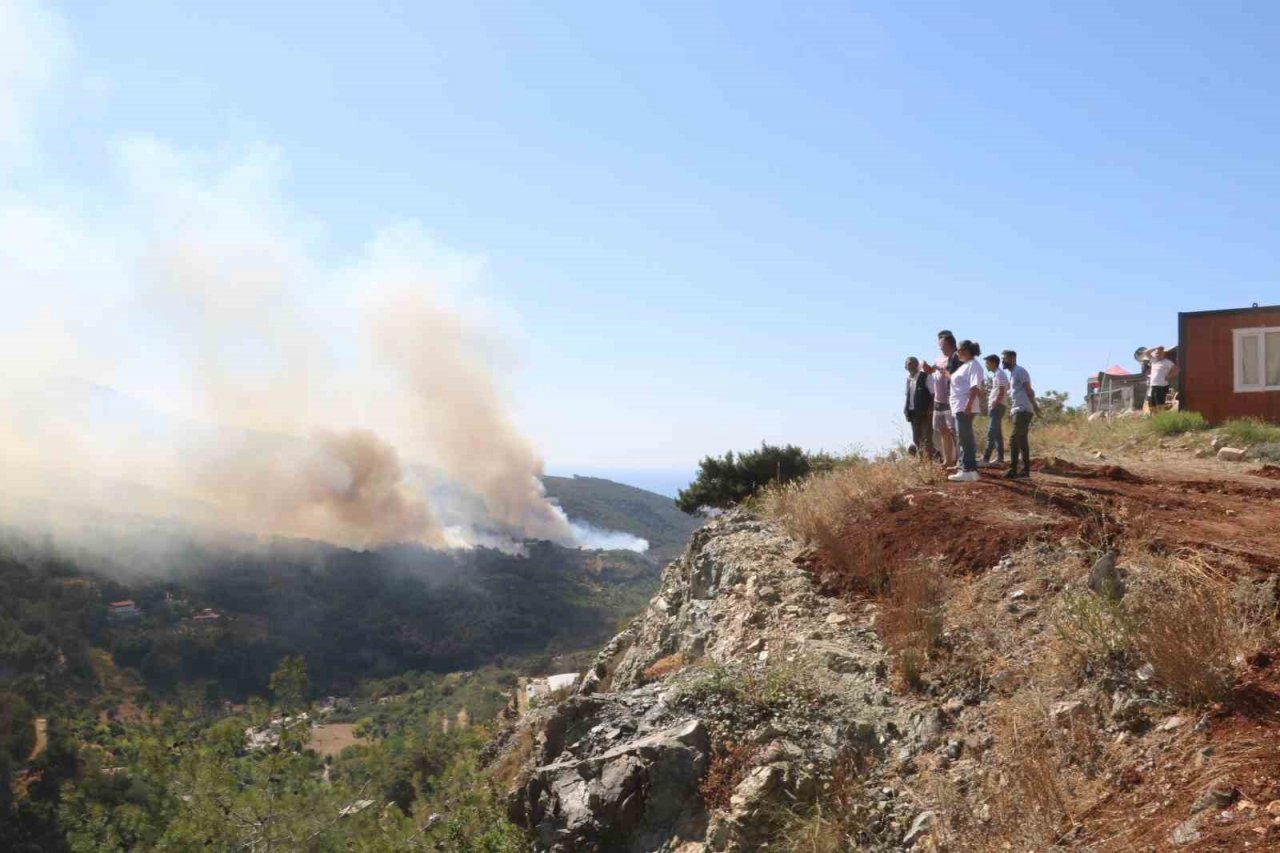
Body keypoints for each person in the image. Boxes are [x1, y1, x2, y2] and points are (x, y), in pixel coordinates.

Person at [948, 340, 986, 483]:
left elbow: (975, 387)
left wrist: (969, 405)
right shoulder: (965, 366)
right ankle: (971, 470)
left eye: (958, 350)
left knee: (964, 438)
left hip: (964, 406)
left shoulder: (974, 365)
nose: (957, 353)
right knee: (965, 438)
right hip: (959, 406)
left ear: (966, 351)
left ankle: (967, 470)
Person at [923, 330, 961, 468]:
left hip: (951, 398)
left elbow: (957, 377)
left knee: (953, 430)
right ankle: (948, 460)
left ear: (948, 344)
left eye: (941, 343)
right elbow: (931, 371)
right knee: (941, 429)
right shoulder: (938, 358)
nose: (939, 345)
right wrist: (927, 368)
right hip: (938, 400)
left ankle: (960, 460)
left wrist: (942, 370)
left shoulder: (956, 357)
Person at [1002, 349, 1040, 479]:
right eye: (1002, 358)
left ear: (1013, 358)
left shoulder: (1020, 371)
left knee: (1014, 440)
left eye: (1005, 358)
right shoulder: (1013, 373)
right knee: (1022, 441)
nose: (1003, 361)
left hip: (1023, 410)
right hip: (1018, 410)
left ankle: (1013, 470)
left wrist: (1035, 406)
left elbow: (1029, 390)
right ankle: (1024, 472)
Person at [981, 353, 1009, 467]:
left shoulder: (999, 374)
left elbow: (1002, 390)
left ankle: (985, 459)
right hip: (997, 406)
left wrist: (995, 403)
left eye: (987, 363)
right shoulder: (998, 374)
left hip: (997, 407)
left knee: (991, 433)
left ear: (993, 363)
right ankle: (1000, 459)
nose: (986, 365)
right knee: (997, 434)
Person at [903, 356, 934, 457]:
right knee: (916, 438)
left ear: (917, 365)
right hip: (913, 413)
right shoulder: (908, 379)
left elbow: (933, 394)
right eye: (909, 364)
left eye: (913, 363)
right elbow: (907, 396)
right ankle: (922, 460)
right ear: (905, 367)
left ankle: (930, 461)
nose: (911, 366)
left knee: (927, 437)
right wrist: (906, 409)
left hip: (925, 412)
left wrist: (931, 408)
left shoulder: (926, 376)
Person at [1146, 346, 1179, 411]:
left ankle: (1161, 416)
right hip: (1153, 386)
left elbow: (1176, 370)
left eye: (1160, 353)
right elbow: (1146, 353)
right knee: (1152, 406)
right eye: (1156, 353)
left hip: (1161, 386)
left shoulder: (1167, 362)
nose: (1158, 355)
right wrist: (1156, 348)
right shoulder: (1154, 360)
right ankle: (1155, 417)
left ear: (1163, 354)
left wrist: (1169, 377)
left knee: (1160, 405)